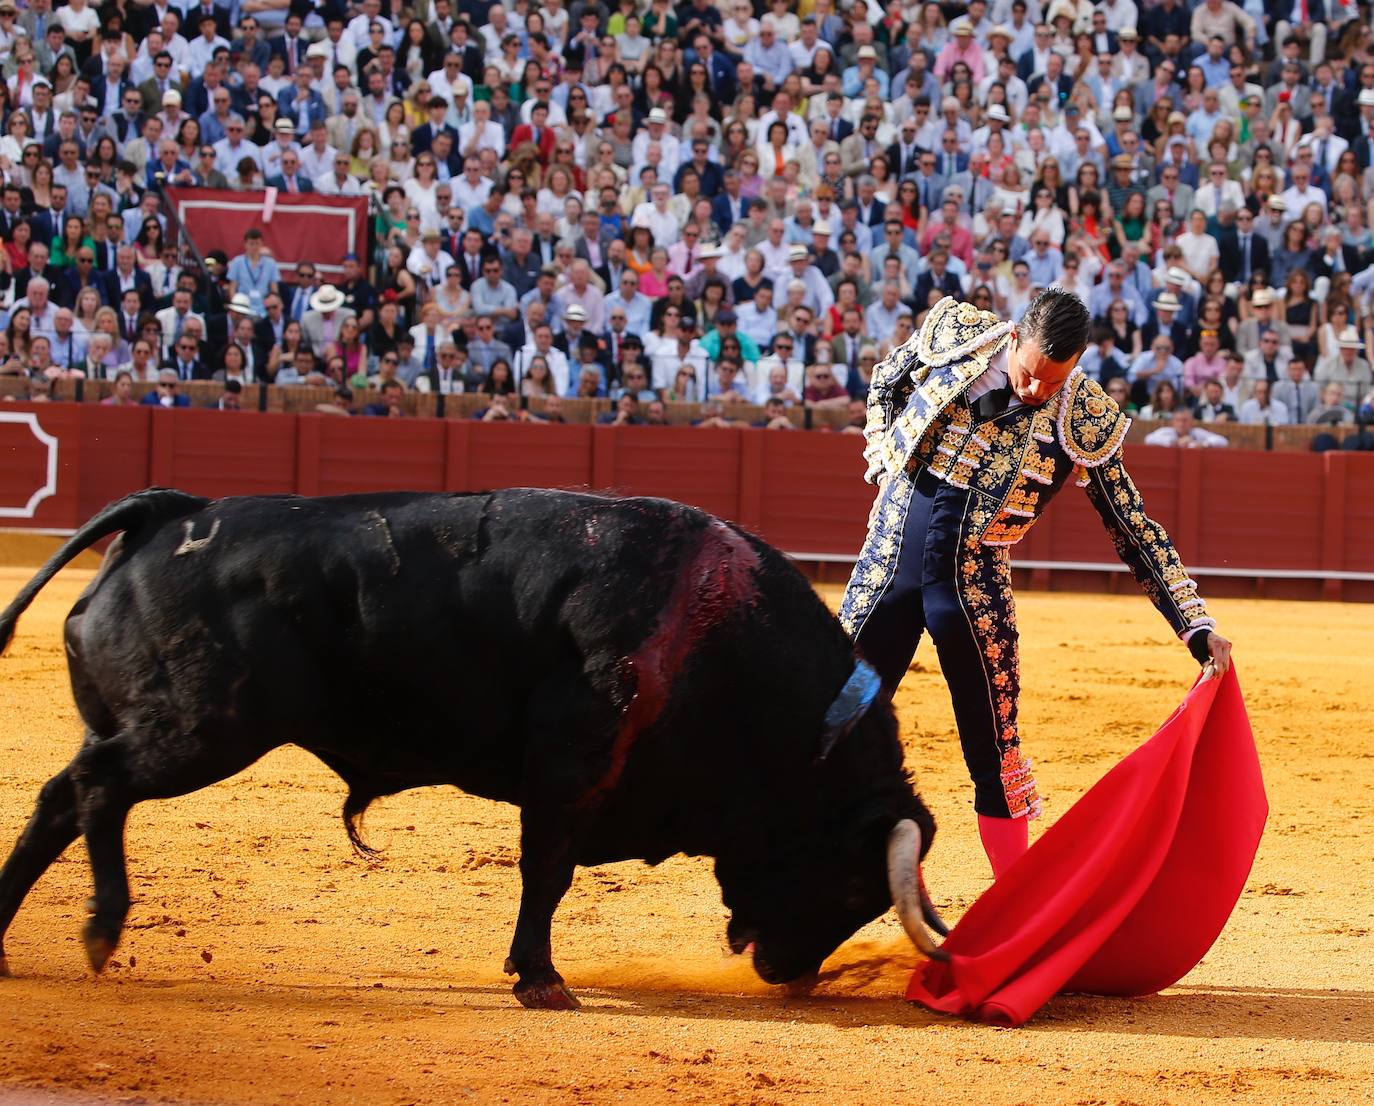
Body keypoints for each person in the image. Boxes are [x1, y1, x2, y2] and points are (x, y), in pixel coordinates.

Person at [840, 291, 1231, 880]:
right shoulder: (958, 336)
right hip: (888, 562)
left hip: (973, 588)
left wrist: (1194, 624)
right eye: (1029, 374)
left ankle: (1016, 905)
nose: (1035, 391)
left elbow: (1132, 527)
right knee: (837, 716)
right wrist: (886, 458)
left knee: (996, 755)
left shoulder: (1083, 414)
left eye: (1055, 381)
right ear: (1014, 339)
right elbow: (889, 378)